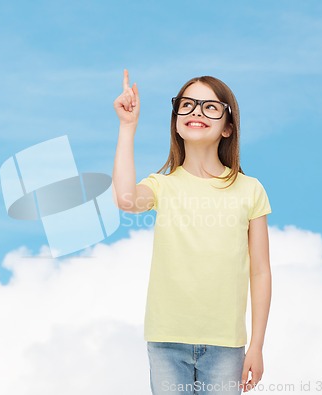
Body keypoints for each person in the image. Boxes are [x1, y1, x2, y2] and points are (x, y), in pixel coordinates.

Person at [112, 69, 272, 394]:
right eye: (187, 105)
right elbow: (125, 199)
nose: (196, 111)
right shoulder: (162, 186)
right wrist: (128, 127)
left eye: (210, 107)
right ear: (176, 120)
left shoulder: (250, 190)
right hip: (166, 340)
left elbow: (260, 272)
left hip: (227, 343)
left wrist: (256, 345)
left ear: (228, 127)